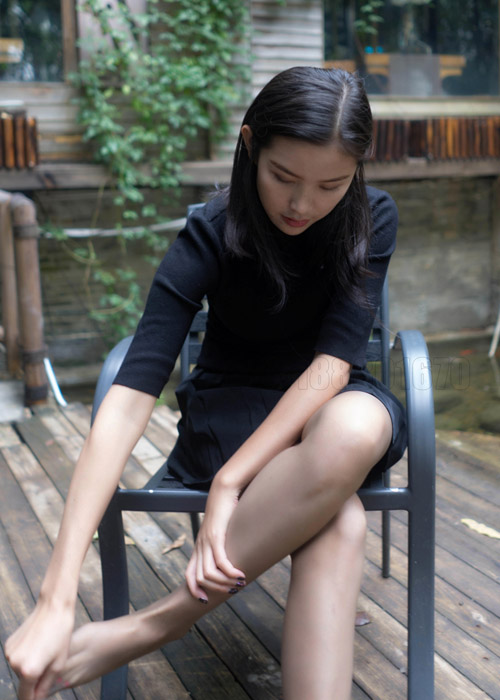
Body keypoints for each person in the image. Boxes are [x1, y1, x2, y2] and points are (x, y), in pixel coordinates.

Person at [6, 66, 407, 700]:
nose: (303, 205)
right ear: (249, 145)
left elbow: (332, 367)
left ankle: (156, 624)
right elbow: (132, 392)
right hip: (233, 410)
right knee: (340, 522)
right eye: (283, 177)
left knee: (354, 427)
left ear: (356, 169)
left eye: (331, 184)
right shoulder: (212, 229)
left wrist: (230, 483)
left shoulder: (371, 217)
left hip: (329, 402)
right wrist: (55, 598)